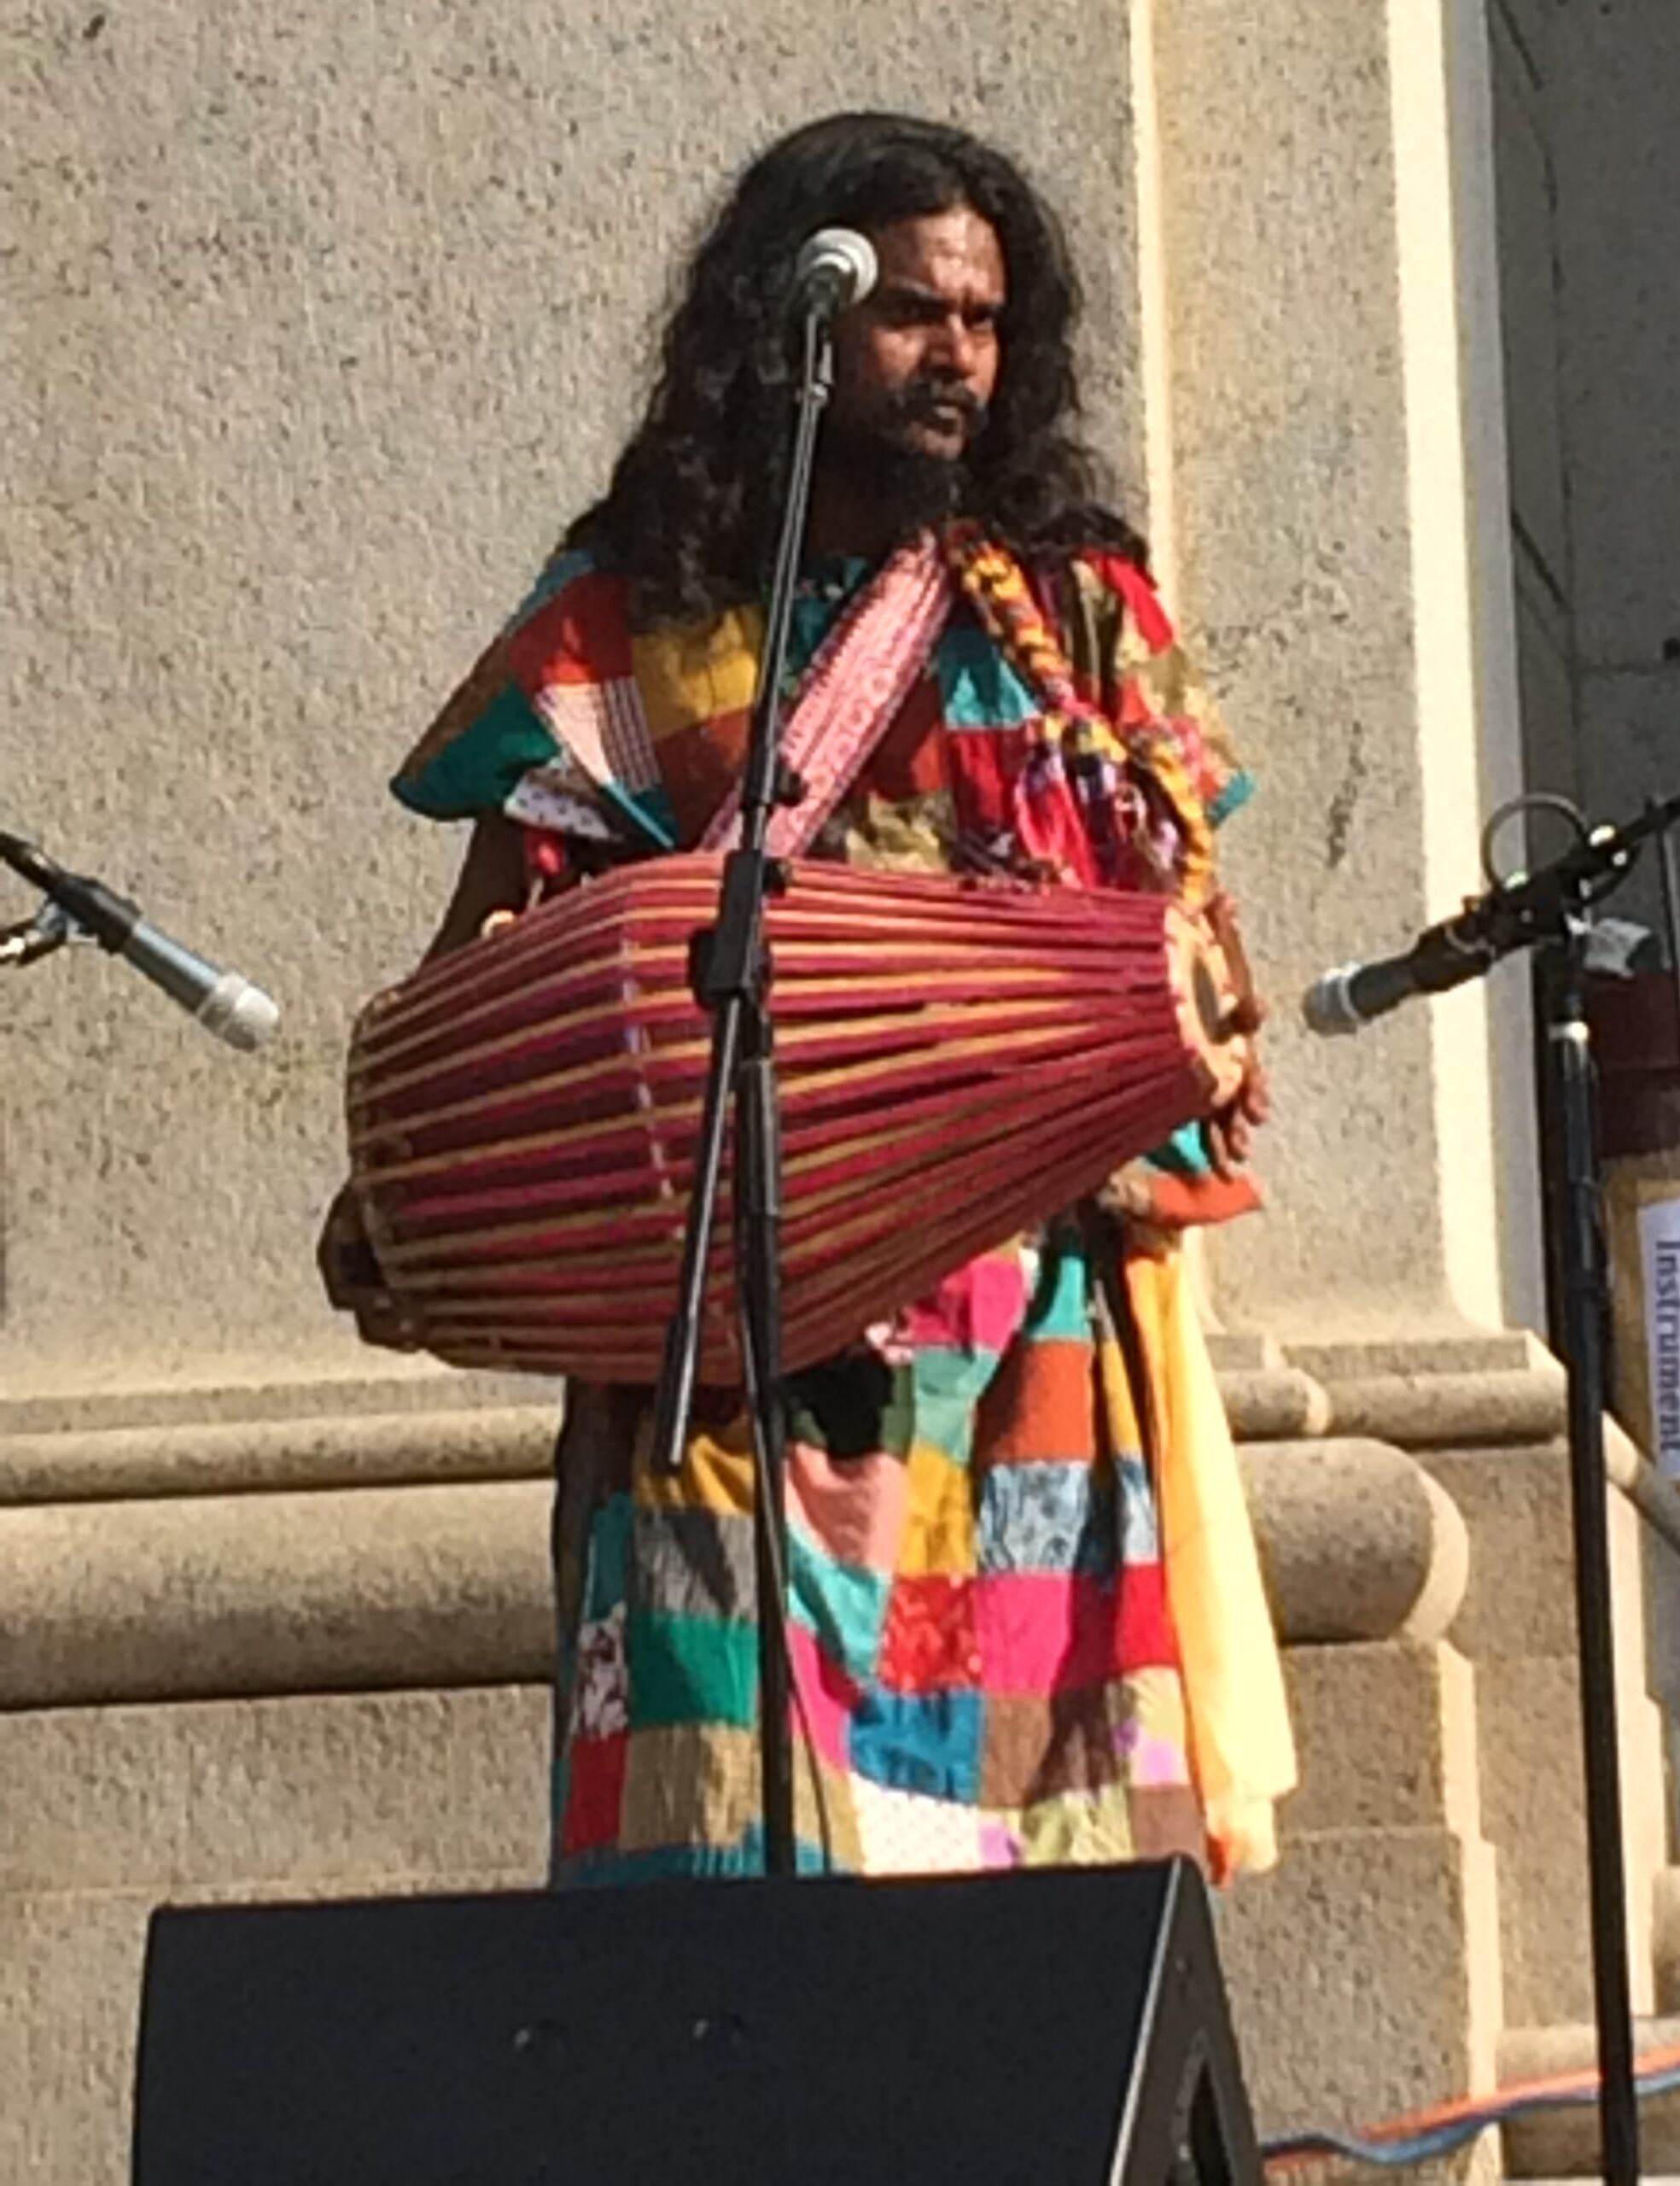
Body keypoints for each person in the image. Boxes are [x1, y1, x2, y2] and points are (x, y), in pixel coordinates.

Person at [322, 110, 1294, 1885]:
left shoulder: (1074, 611)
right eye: (913, 314)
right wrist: (415, 1181)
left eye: (988, 322)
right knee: (711, 1846)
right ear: (794, 326)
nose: (960, 359)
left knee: (1036, 1868)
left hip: (1022, 1330)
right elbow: (495, 942)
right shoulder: (634, 612)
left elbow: (1201, 944)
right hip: (714, 1336)